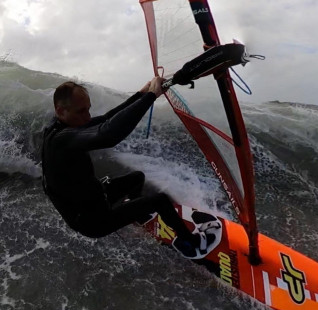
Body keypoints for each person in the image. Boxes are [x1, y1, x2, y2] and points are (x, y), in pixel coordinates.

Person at [41, 78, 214, 258]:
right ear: (61, 111)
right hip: (92, 221)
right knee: (160, 200)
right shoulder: (61, 140)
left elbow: (106, 119)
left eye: (88, 109)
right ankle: (191, 243)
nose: (88, 117)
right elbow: (108, 135)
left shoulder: (60, 126)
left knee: (136, 178)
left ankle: (137, 214)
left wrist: (142, 94)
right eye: (81, 111)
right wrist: (152, 96)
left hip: (93, 197)